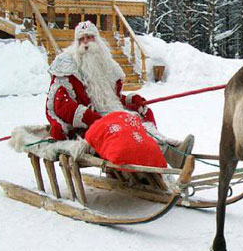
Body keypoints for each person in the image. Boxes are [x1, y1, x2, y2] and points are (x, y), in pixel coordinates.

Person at [45, 20, 193, 168]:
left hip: (111, 115)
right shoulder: (66, 65)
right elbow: (62, 105)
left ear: (97, 39)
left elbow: (111, 97)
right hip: (86, 127)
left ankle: (166, 149)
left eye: (89, 37)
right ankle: (169, 154)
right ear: (76, 44)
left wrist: (131, 100)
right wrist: (92, 117)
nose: (86, 43)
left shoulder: (105, 64)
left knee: (143, 114)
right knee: (125, 127)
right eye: (81, 39)